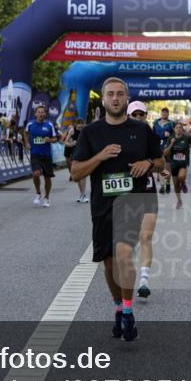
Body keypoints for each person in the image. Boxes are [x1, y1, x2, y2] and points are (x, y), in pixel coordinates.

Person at [72, 80, 162, 340]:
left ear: (126, 98)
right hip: (102, 206)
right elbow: (76, 171)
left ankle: (128, 310)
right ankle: (118, 307)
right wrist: (99, 157)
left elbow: (160, 162)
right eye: (110, 94)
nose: (115, 98)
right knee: (109, 263)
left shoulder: (141, 129)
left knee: (123, 254)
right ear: (103, 100)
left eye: (120, 94)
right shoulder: (90, 132)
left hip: (132, 202)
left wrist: (147, 163)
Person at [125, 101, 159, 298]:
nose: (139, 118)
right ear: (128, 115)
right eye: (134, 114)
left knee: (145, 237)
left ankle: (144, 280)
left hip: (147, 190)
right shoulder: (117, 136)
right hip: (125, 194)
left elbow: (160, 161)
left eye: (142, 114)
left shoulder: (150, 136)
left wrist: (153, 165)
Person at [24, 104, 59, 207]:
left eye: (42, 112)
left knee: (48, 178)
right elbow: (25, 133)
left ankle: (47, 198)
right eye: (39, 112)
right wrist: (26, 143)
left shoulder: (49, 125)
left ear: (45, 114)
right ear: (35, 114)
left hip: (46, 155)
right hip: (35, 154)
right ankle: (38, 193)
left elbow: (55, 138)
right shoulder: (30, 124)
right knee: (36, 173)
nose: (41, 114)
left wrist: (50, 140)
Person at [164, 121, 191, 210]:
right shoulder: (171, 138)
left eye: (180, 127)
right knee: (176, 186)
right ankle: (179, 201)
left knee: (181, 176)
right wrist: (172, 143)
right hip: (174, 164)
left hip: (183, 163)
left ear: (182, 129)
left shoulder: (186, 138)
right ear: (174, 129)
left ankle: (183, 182)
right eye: (177, 128)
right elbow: (165, 153)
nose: (179, 129)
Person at [62, 118, 88, 202]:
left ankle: (83, 194)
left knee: (83, 174)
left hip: (84, 153)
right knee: (78, 175)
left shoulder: (86, 130)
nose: (80, 127)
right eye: (78, 125)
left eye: (81, 125)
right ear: (75, 125)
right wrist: (71, 144)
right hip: (75, 154)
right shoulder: (72, 131)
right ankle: (82, 194)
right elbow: (65, 142)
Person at [152, 107, 174, 194]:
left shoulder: (171, 124)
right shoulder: (155, 123)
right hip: (158, 147)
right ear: (161, 113)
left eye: (166, 113)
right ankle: (162, 186)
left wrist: (170, 135)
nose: (164, 114)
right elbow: (152, 134)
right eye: (163, 112)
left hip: (168, 147)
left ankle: (168, 183)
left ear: (168, 114)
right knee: (161, 167)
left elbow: (176, 135)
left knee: (167, 168)